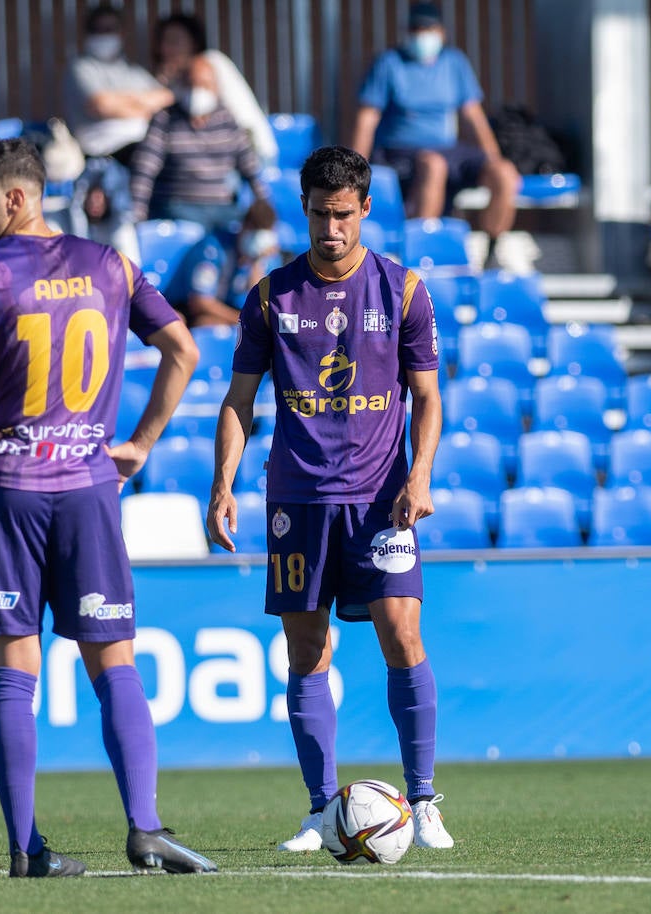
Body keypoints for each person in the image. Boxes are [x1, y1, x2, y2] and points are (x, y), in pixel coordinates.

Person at [0, 138, 215, 878]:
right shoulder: (111, 264)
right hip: (87, 487)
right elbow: (183, 350)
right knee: (114, 664)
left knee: (15, 670)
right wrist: (139, 442)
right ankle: (145, 830)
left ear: (16, 198)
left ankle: (25, 848)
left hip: (9, 488)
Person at [206, 145, 453, 853]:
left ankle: (425, 800)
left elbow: (428, 397)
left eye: (343, 215)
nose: (331, 229)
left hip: (382, 499)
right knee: (306, 650)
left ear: (365, 209)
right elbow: (238, 401)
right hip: (298, 498)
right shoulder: (269, 295)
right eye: (319, 214)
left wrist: (421, 475)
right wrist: (223, 482)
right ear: (305, 209)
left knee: (402, 636)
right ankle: (321, 810)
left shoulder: (403, 291)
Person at [351, 3, 519, 243]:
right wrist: (355, 167)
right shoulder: (389, 64)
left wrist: (493, 156)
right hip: (400, 152)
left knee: (504, 173)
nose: (423, 36)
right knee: (434, 165)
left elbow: (473, 116)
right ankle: (422, 251)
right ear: (407, 32)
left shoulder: (455, 63)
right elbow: (367, 119)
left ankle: (493, 250)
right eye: (416, 30)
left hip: (448, 148)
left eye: (428, 29)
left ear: (441, 32)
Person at [128, 55, 269, 229]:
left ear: (216, 88)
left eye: (204, 85)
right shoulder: (164, 119)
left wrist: (264, 207)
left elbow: (250, 166)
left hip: (222, 208)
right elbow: (144, 170)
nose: (197, 91)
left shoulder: (227, 120)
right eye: (191, 84)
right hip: (177, 207)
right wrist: (137, 215)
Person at [151, 14, 277, 165]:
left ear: (194, 43)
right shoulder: (176, 80)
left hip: (251, 157)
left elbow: (199, 105)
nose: (167, 48)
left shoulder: (207, 61)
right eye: (164, 41)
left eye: (175, 41)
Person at [63, 3, 173, 167]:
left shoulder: (133, 71)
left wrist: (120, 101)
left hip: (143, 145)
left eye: (109, 29)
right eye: (97, 29)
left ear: (121, 33)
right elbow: (101, 106)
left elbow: (167, 99)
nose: (103, 34)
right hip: (103, 154)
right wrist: (144, 105)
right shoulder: (81, 67)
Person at [174, 199, 280, 326]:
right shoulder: (212, 249)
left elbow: (260, 304)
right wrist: (243, 320)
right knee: (206, 323)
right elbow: (200, 303)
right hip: (193, 311)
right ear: (243, 227)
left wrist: (255, 263)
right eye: (253, 232)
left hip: (232, 310)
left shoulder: (266, 256)